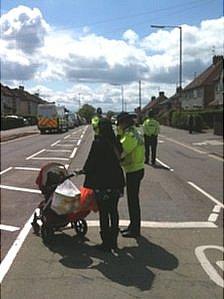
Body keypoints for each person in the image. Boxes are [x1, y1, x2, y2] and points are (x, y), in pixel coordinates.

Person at [81, 118, 125, 252]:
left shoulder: (98, 143)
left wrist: (84, 170)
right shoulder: (116, 142)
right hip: (116, 181)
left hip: (102, 183)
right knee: (114, 211)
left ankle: (106, 243)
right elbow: (121, 157)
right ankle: (114, 242)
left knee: (104, 213)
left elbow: (91, 162)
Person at [117, 112, 145, 238]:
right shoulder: (134, 132)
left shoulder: (129, 135)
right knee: (133, 200)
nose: (119, 126)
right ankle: (133, 226)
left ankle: (135, 230)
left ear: (124, 123)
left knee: (133, 201)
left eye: (120, 124)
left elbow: (122, 152)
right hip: (136, 168)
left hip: (134, 170)